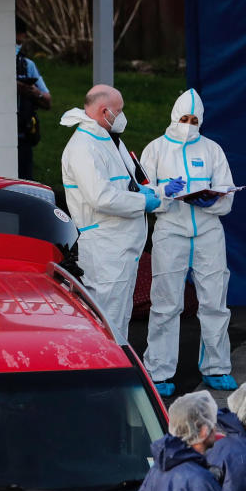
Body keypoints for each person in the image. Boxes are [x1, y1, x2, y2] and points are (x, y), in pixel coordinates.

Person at [140, 89, 237, 396]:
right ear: (174, 116)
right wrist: (164, 192)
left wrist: (213, 202)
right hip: (170, 230)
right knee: (166, 303)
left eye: (195, 119)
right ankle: (158, 370)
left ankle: (217, 367)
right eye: (184, 118)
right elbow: (143, 194)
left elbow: (227, 193)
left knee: (214, 302)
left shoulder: (211, 150)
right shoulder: (155, 150)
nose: (189, 124)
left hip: (208, 231)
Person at [60, 84, 159, 344]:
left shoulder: (108, 139)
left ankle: (118, 375)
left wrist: (150, 192)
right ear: (105, 111)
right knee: (107, 320)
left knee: (119, 318)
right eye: (119, 110)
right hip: (105, 248)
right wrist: (141, 202)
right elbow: (101, 197)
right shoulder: (83, 147)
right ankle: (108, 378)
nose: (122, 116)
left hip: (120, 246)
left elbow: (127, 183)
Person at [15, 17, 51, 181]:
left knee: (25, 182)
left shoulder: (26, 65)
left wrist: (32, 91)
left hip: (22, 136)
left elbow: (47, 100)